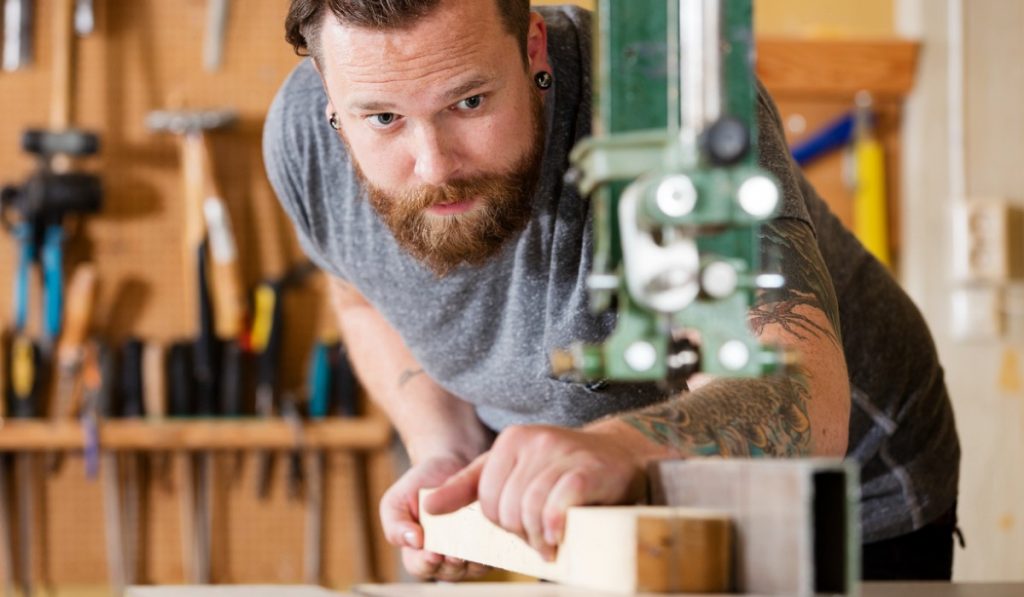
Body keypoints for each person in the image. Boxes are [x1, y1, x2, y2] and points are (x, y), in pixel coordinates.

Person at [264, 0, 960, 582]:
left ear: (532, 45)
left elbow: (804, 396)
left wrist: (622, 449)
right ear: (329, 95)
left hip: (838, 496)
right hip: (601, 500)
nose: (433, 165)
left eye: (468, 101)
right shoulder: (303, 143)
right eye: (383, 119)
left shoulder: (665, 105)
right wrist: (443, 445)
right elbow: (357, 292)